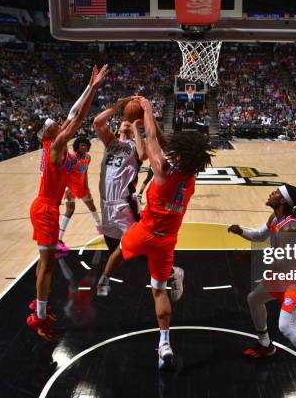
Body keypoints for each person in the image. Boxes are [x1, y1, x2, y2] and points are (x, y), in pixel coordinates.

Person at [97, 96, 214, 370]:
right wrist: (149, 128)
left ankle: (104, 279)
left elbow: (152, 139)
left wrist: (148, 111)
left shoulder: (161, 170)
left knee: (118, 253)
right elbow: (162, 142)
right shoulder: (190, 178)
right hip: (167, 242)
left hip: (145, 231)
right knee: (159, 292)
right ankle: (164, 344)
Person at [26, 64, 108, 341]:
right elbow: (79, 117)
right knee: (47, 267)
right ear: (52, 133)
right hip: (47, 208)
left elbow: (73, 115)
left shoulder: (53, 145)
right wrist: (94, 89)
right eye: (56, 125)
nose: (62, 123)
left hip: (44, 206)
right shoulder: (57, 146)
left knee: (44, 263)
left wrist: (89, 86)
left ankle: (39, 305)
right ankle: (38, 317)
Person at [228, 184, 296, 394]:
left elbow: (281, 262)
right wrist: (241, 232)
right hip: (284, 271)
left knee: (286, 326)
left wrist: (248, 257)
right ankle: (266, 345)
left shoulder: (291, 228)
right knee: (254, 299)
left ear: (284, 201)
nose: (271, 194)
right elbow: (259, 236)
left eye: (275, 193)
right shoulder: (275, 218)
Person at [92, 98, 147, 253]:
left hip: (124, 204)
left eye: (129, 122)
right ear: (118, 127)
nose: (126, 122)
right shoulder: (110, 142)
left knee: (140, 246)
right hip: (105, 204)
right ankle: (108, 276)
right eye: (124, 121)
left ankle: (169, 274)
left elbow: (143, 155)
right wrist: (118, 105)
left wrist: (136, 128)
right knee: (114, 249)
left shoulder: (135, 145)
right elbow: (97, 122)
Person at [57, 136, 101, 248]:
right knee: (70, 210)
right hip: (70, 187)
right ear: (77, 146)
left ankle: (100, 226)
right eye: (81, 145)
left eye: (85, 145)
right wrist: (64, 189)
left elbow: (85, 173)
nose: (84, 147)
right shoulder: (71, 158)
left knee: (91, 205)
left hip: (81, 187)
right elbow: (63, 173)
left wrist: (87, 187)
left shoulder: (88, 157)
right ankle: (59, 239)